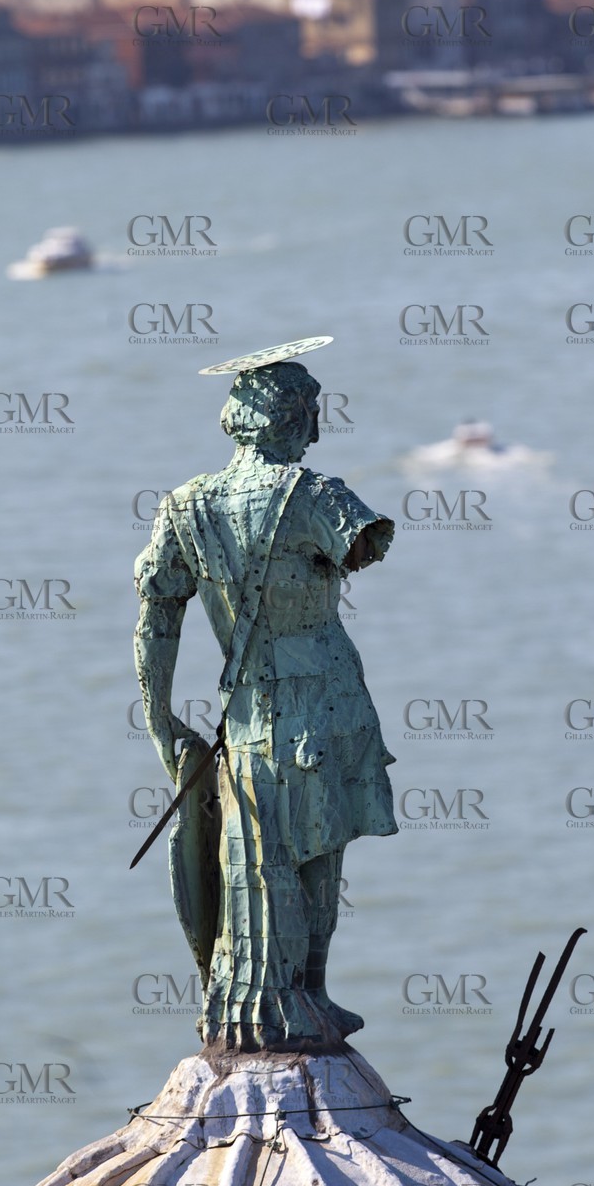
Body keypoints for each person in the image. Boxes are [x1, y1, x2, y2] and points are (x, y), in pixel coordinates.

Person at [133, 357, 397, 1051]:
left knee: (257, 854)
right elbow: (364, 543)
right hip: (323, 700)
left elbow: (157, 617)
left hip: (249, 708)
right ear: (297, 418)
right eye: (313, 410)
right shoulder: (317, 496)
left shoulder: (186, 504)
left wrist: (158, 716)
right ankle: (302, 996)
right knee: (318, 856)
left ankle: (272, 1000)